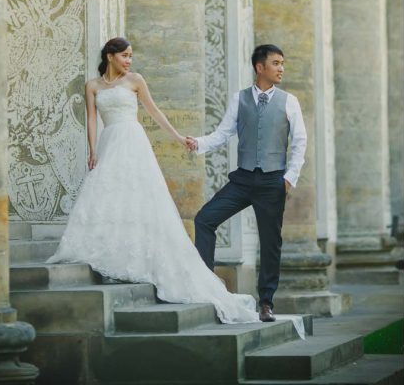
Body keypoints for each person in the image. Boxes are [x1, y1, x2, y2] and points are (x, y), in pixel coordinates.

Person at [48, 38, 261, 324]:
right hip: (110, 141)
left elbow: (154, 111)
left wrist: (177, 137)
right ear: (110, 56)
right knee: (107, 196)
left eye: (131, 56)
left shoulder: (135, 80)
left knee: (138, 196)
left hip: (133, 141)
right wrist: (92, 150)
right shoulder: (93, 86)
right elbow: (91, 119)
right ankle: (111, 253)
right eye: (124, 56)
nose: (129, 61)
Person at [185, 44, 307, 323]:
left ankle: (266, 303)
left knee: (270, 241)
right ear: (259, 67)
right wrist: (198, 143)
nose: (281, 69)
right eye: (276, 63)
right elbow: (223, 133)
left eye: (282, 64)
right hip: (242, 178)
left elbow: (300, 142)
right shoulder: (238, 99)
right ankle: (207, 286)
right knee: (205, 219)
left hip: (273, 181)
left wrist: (289, 178)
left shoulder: (289, 101)